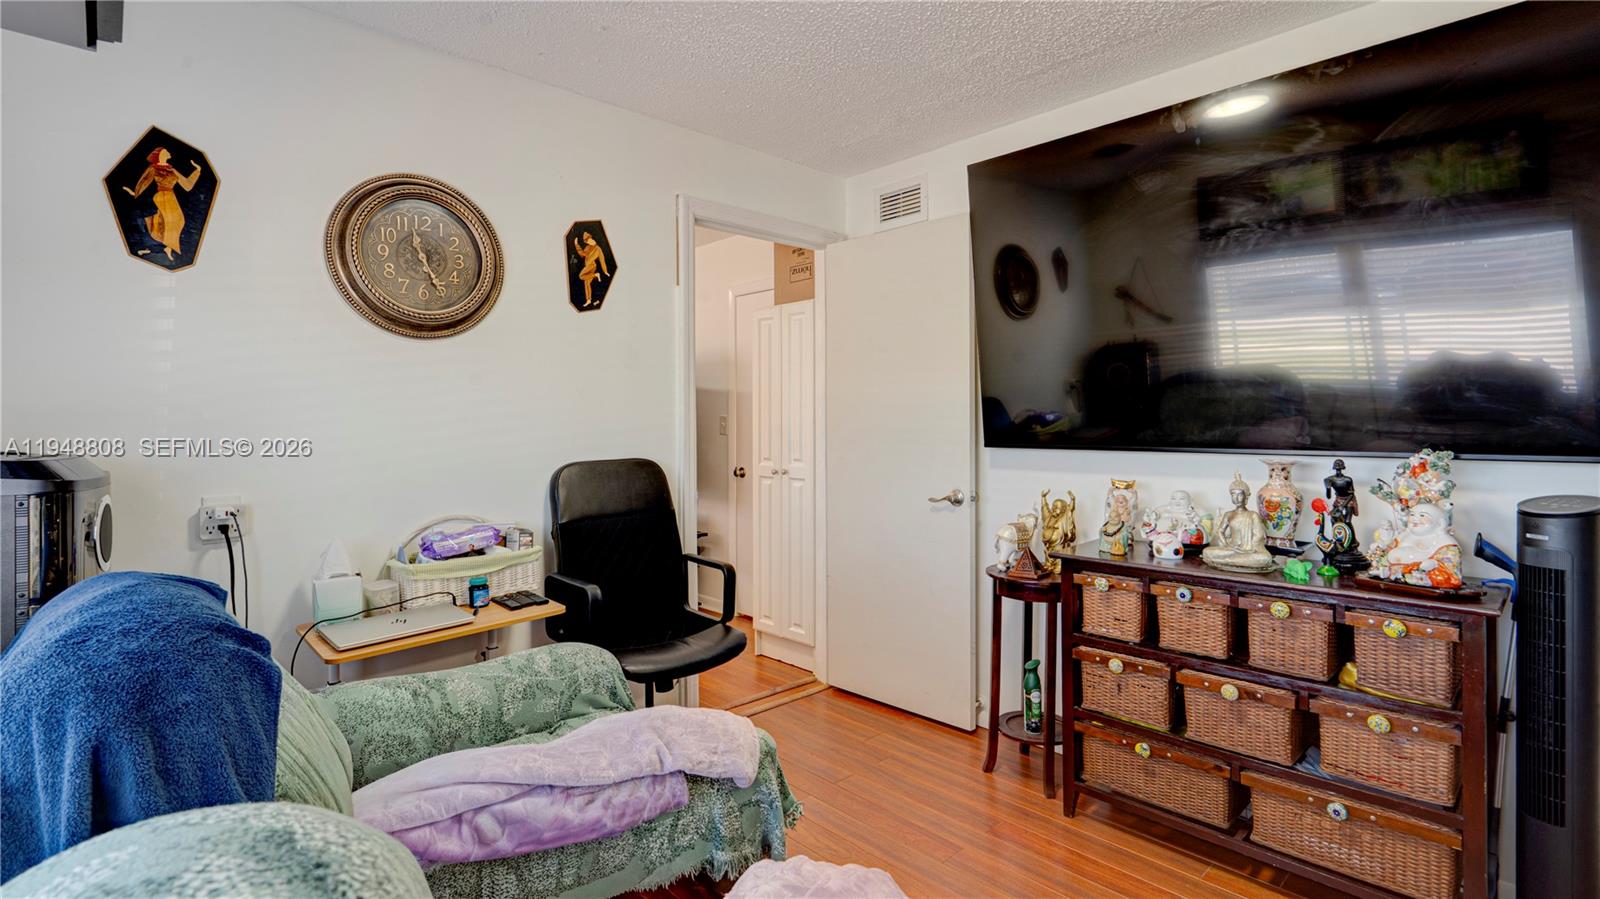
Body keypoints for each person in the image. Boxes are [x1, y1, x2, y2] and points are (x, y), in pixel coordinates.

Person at [123, 148, 203, 261]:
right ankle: (150, 246)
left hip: (171, 197)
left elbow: (187, 185)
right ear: (160, 154)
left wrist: (197, 171)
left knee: (178, 221)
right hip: (161, 197)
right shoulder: (153, 168)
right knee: (165, 221)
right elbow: (144, 181)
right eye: (166, 151)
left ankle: (167, 248)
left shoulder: (171, 169)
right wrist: (135, 193)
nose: (169, 152)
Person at [1202, 473, 1274, 571]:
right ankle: (1231, 560)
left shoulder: (1253, 515)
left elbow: (1259, 535)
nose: (1236, 498)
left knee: (1265, 558)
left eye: (1240, 494)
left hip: (1249, 550)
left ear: (1246, 496)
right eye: (1233, 494)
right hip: (1231, 549)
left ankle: (1227, 561)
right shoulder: (1228, 514)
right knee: (1206, 552)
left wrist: (1248, 548)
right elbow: (1220, 531)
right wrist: (1227, 545)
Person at [573, 231, 610, 306]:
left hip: (592, 266)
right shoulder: (587, 247)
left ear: (591, 238)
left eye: (588, 240)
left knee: (581, 276)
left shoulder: (598, 249)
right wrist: (576, 245)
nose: (588, 242)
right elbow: (582, 254)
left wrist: (605, 271)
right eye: (586, 241)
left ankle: (596, 275)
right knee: (587, 283)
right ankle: (589, 300)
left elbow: (602, 260)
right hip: (588, 266)